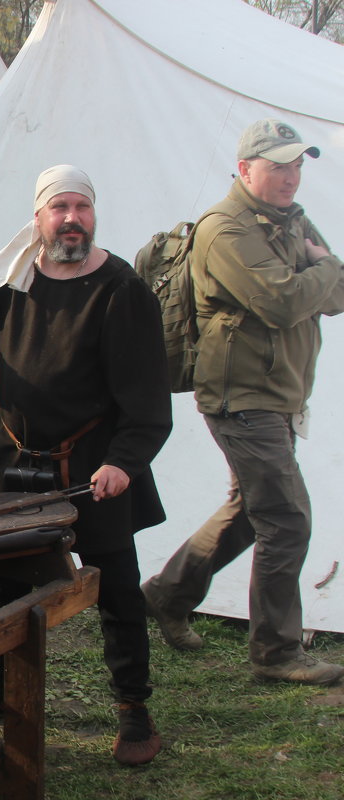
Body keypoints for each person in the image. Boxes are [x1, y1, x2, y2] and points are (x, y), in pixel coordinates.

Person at [0, 165, 172, 766]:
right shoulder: (15, 274)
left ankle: (134, 709)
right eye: (60, 208)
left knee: (116, 588)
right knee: (1, 575)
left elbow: (148, 399)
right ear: (39, 218)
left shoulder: (121, 290)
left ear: (93, 216)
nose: (71, 220)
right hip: (12, 451)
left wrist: (124, 463)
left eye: (81, 207)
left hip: (92, 464)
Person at [142, 120, 344, 686]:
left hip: (279, 393)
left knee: (252, 510)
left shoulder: (291, 221)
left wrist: (317, 276)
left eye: (298, 164)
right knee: (287, 518)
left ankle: (166, 593)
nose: (291, 176)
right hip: (241, 397)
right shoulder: (225, 229)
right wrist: (318, 269)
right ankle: (277, 654)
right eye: (278, 165)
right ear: (245, 169)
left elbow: (340, 293)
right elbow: (283, 302)